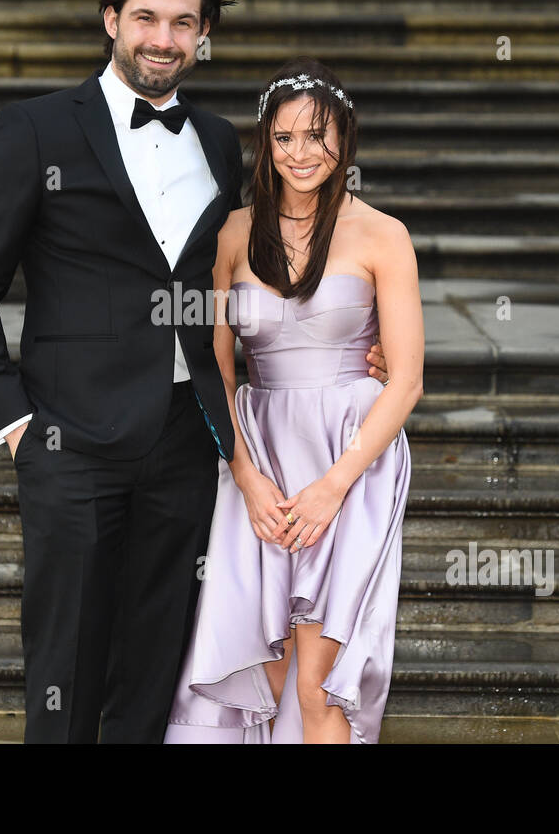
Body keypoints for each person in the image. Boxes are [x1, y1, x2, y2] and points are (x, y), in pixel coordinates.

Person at [0, 0, 390, 743]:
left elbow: (253, 275)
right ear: (112, 19)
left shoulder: (219, 142)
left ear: (202, 35)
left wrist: (363, 341)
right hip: (69, 440)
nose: (163, 37)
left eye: (184, 23)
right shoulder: (34, 129)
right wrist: (13, 426)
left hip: (188, 444)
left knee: (155, 668)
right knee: (66, 666)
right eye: (146, 16)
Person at [164, 57, 424, 744]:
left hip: (351, 457)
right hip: (259, 453)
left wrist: (335, 485)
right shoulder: (230, 236)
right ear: (265, 143)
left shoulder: (383, 235)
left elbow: (407, 380)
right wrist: (245, 475)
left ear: (344, 140)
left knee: (318, 682)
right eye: (284, 138)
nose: (301, 153)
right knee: (269, 666)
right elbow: (218, 372)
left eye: (317, 135)